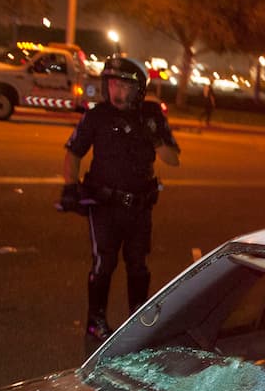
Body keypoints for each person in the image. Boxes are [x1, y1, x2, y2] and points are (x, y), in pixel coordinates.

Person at [57, 55, 180, 348]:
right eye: (112, 84)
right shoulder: (97, 115)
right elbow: (73, 152)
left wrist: (155, 136)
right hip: (104, 205)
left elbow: (172, 160)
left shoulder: (151, 114)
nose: (117, 91)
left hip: (140, 206)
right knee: (104, 264)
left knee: (138, 265)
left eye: (124, 85)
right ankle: (95, 321)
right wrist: (71, 186)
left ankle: (137, 319)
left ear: (138, 89)